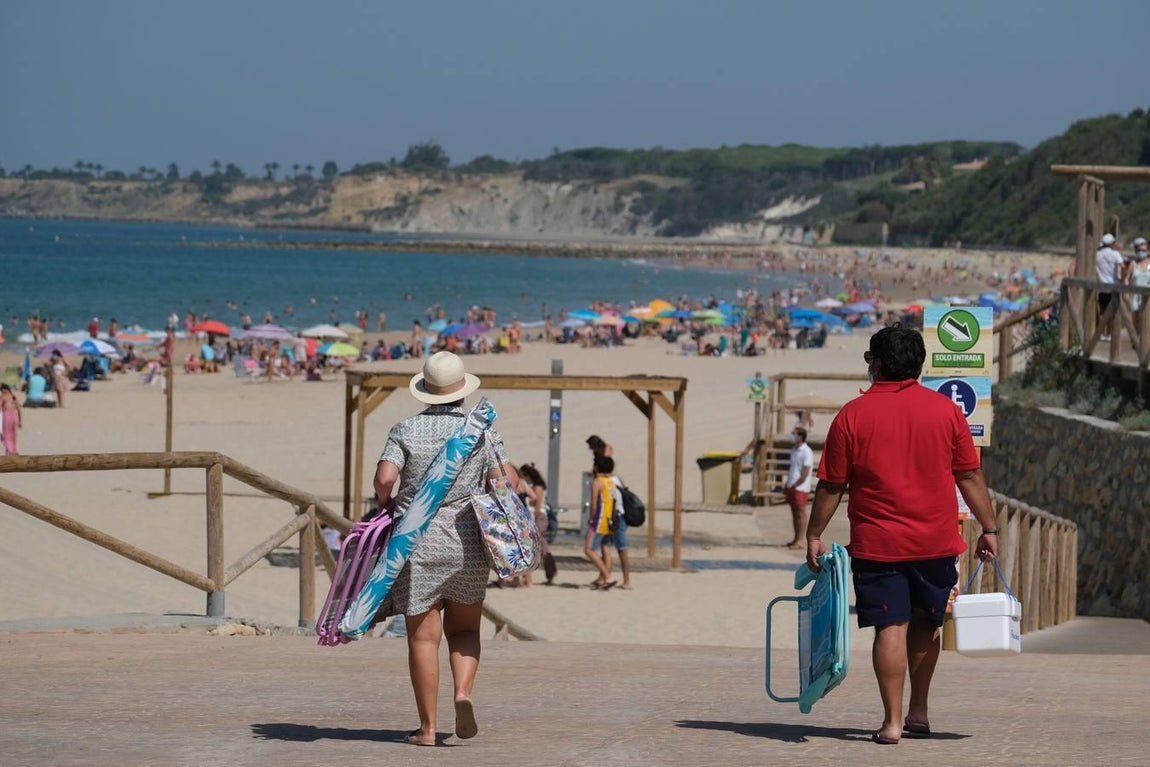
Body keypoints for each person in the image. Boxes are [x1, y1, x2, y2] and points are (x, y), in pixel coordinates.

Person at [804, 323, 999, 746]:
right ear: (918, 365)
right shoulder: (946, 410)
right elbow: (968, 473)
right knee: (928, 624)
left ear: (876, 364)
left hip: (878, 543)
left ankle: (892, 722)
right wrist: (989, 527)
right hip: (935, 540)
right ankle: (920, 711)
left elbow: (832, 485)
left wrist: (813, 534)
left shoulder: (852, 415)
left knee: (889, 627)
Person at [371, 351, 518, 747]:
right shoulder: (482, 430)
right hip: (468, 541)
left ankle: (428, 728)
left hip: (416, 541)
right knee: (466, 629)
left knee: (423, 639)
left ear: (425, 391)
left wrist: (386, 503)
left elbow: (385, 477)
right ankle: (463, 693)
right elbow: (508, 481)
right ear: (462, 389)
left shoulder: (405, 429)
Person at [583, 454, 619, 590]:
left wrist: (591, 518)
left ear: (596, 468)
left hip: (600, 519)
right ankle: (604, 578)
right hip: (610, 518)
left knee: (588, 549)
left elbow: (593, 503)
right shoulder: (612, 481)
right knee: (606, 550)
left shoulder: (597, 482)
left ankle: (608, 577)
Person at [517, 463, 555, 585]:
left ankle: (531, 577)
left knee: (537, 548)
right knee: (542, 547)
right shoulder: (533, 485)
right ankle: (548, 573)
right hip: (536, 517)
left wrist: (533, 520)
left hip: (539, 518)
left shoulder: (537, 487)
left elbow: (538, 506)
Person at [783, 425, 814, 550]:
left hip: (801, 487)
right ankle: (796, 538)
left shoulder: (807, 451)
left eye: (794, 434)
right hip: (792, 484)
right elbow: (793, 469)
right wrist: (788, 484)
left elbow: (806, 471)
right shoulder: (794, 449)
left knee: (801, 513)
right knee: (794, 513)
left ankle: (800, 540)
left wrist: (796, 485)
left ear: (801, 436)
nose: (792, 436)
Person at [1095, 233, 1124, 341]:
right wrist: (1123, 279)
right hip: (1114, 286)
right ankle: (1111, 334)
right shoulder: (1115, 254)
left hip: (1102, 286)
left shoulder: (1098, 254)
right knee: (1114, 312)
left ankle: (1102, 333)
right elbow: (1122, 266)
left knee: (1103, 312)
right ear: (1112, 243)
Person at [1, 383, 22, 455]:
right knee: (13, 435)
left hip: (7, 417)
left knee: (6, 435)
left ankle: (9, 451)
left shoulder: (3, 397)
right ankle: (14, 450)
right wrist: (20, 421)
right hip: (14, 417)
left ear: (4, 389)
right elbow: (19, 409)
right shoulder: (14, 397)